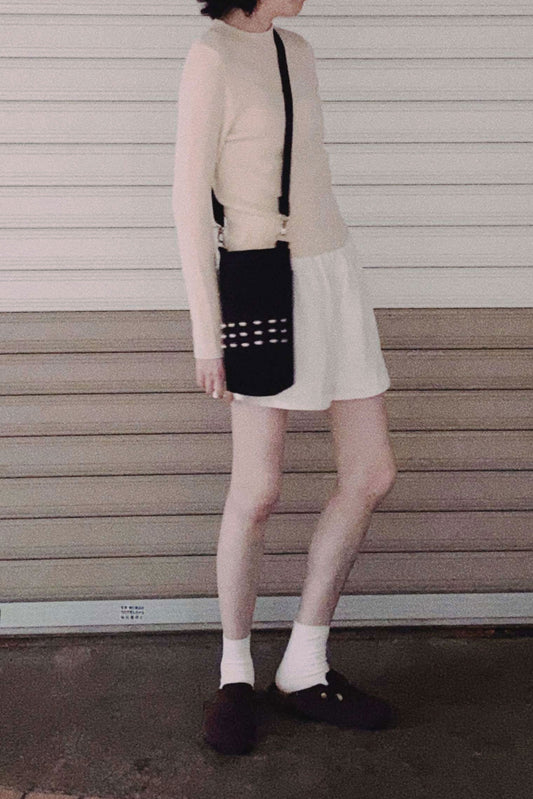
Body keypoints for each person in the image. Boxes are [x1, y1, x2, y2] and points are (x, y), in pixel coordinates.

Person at [172, 0, 398, 755]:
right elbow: (186, 201)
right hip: (264, 285)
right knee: (258, 489)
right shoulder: (210, 56)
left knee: (371, 472)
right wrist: (208, 333)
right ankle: (235, 672)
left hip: (334, 274)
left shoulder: (296, 48)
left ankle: (304, 662)